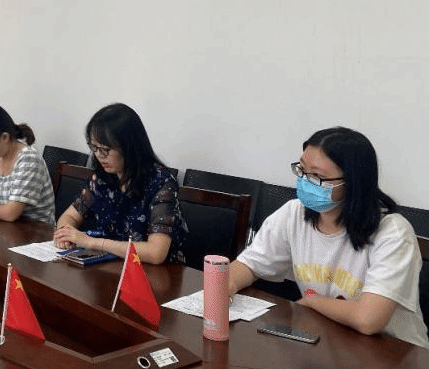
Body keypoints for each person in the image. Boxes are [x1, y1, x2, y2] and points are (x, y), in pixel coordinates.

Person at [229, 127, 428, 348]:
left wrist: (312, 301)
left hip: (394, 354)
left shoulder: (393, 233)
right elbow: (249, 265)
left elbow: (368, 319)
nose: (305, 182)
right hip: (330, 341)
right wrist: (227, 284)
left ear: (352, 183)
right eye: (302, 170)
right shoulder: (294, 213)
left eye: (318, 176)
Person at [53, 103, 186, 265]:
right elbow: (69, 216)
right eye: (94, 147)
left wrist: (92, 242)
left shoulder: (161, 183)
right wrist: (65, 235)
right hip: (112, 266)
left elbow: (156, 253)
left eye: (105, 149)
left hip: (153, 273)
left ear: (129, 147)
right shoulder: (102, 179)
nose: (99, 155)